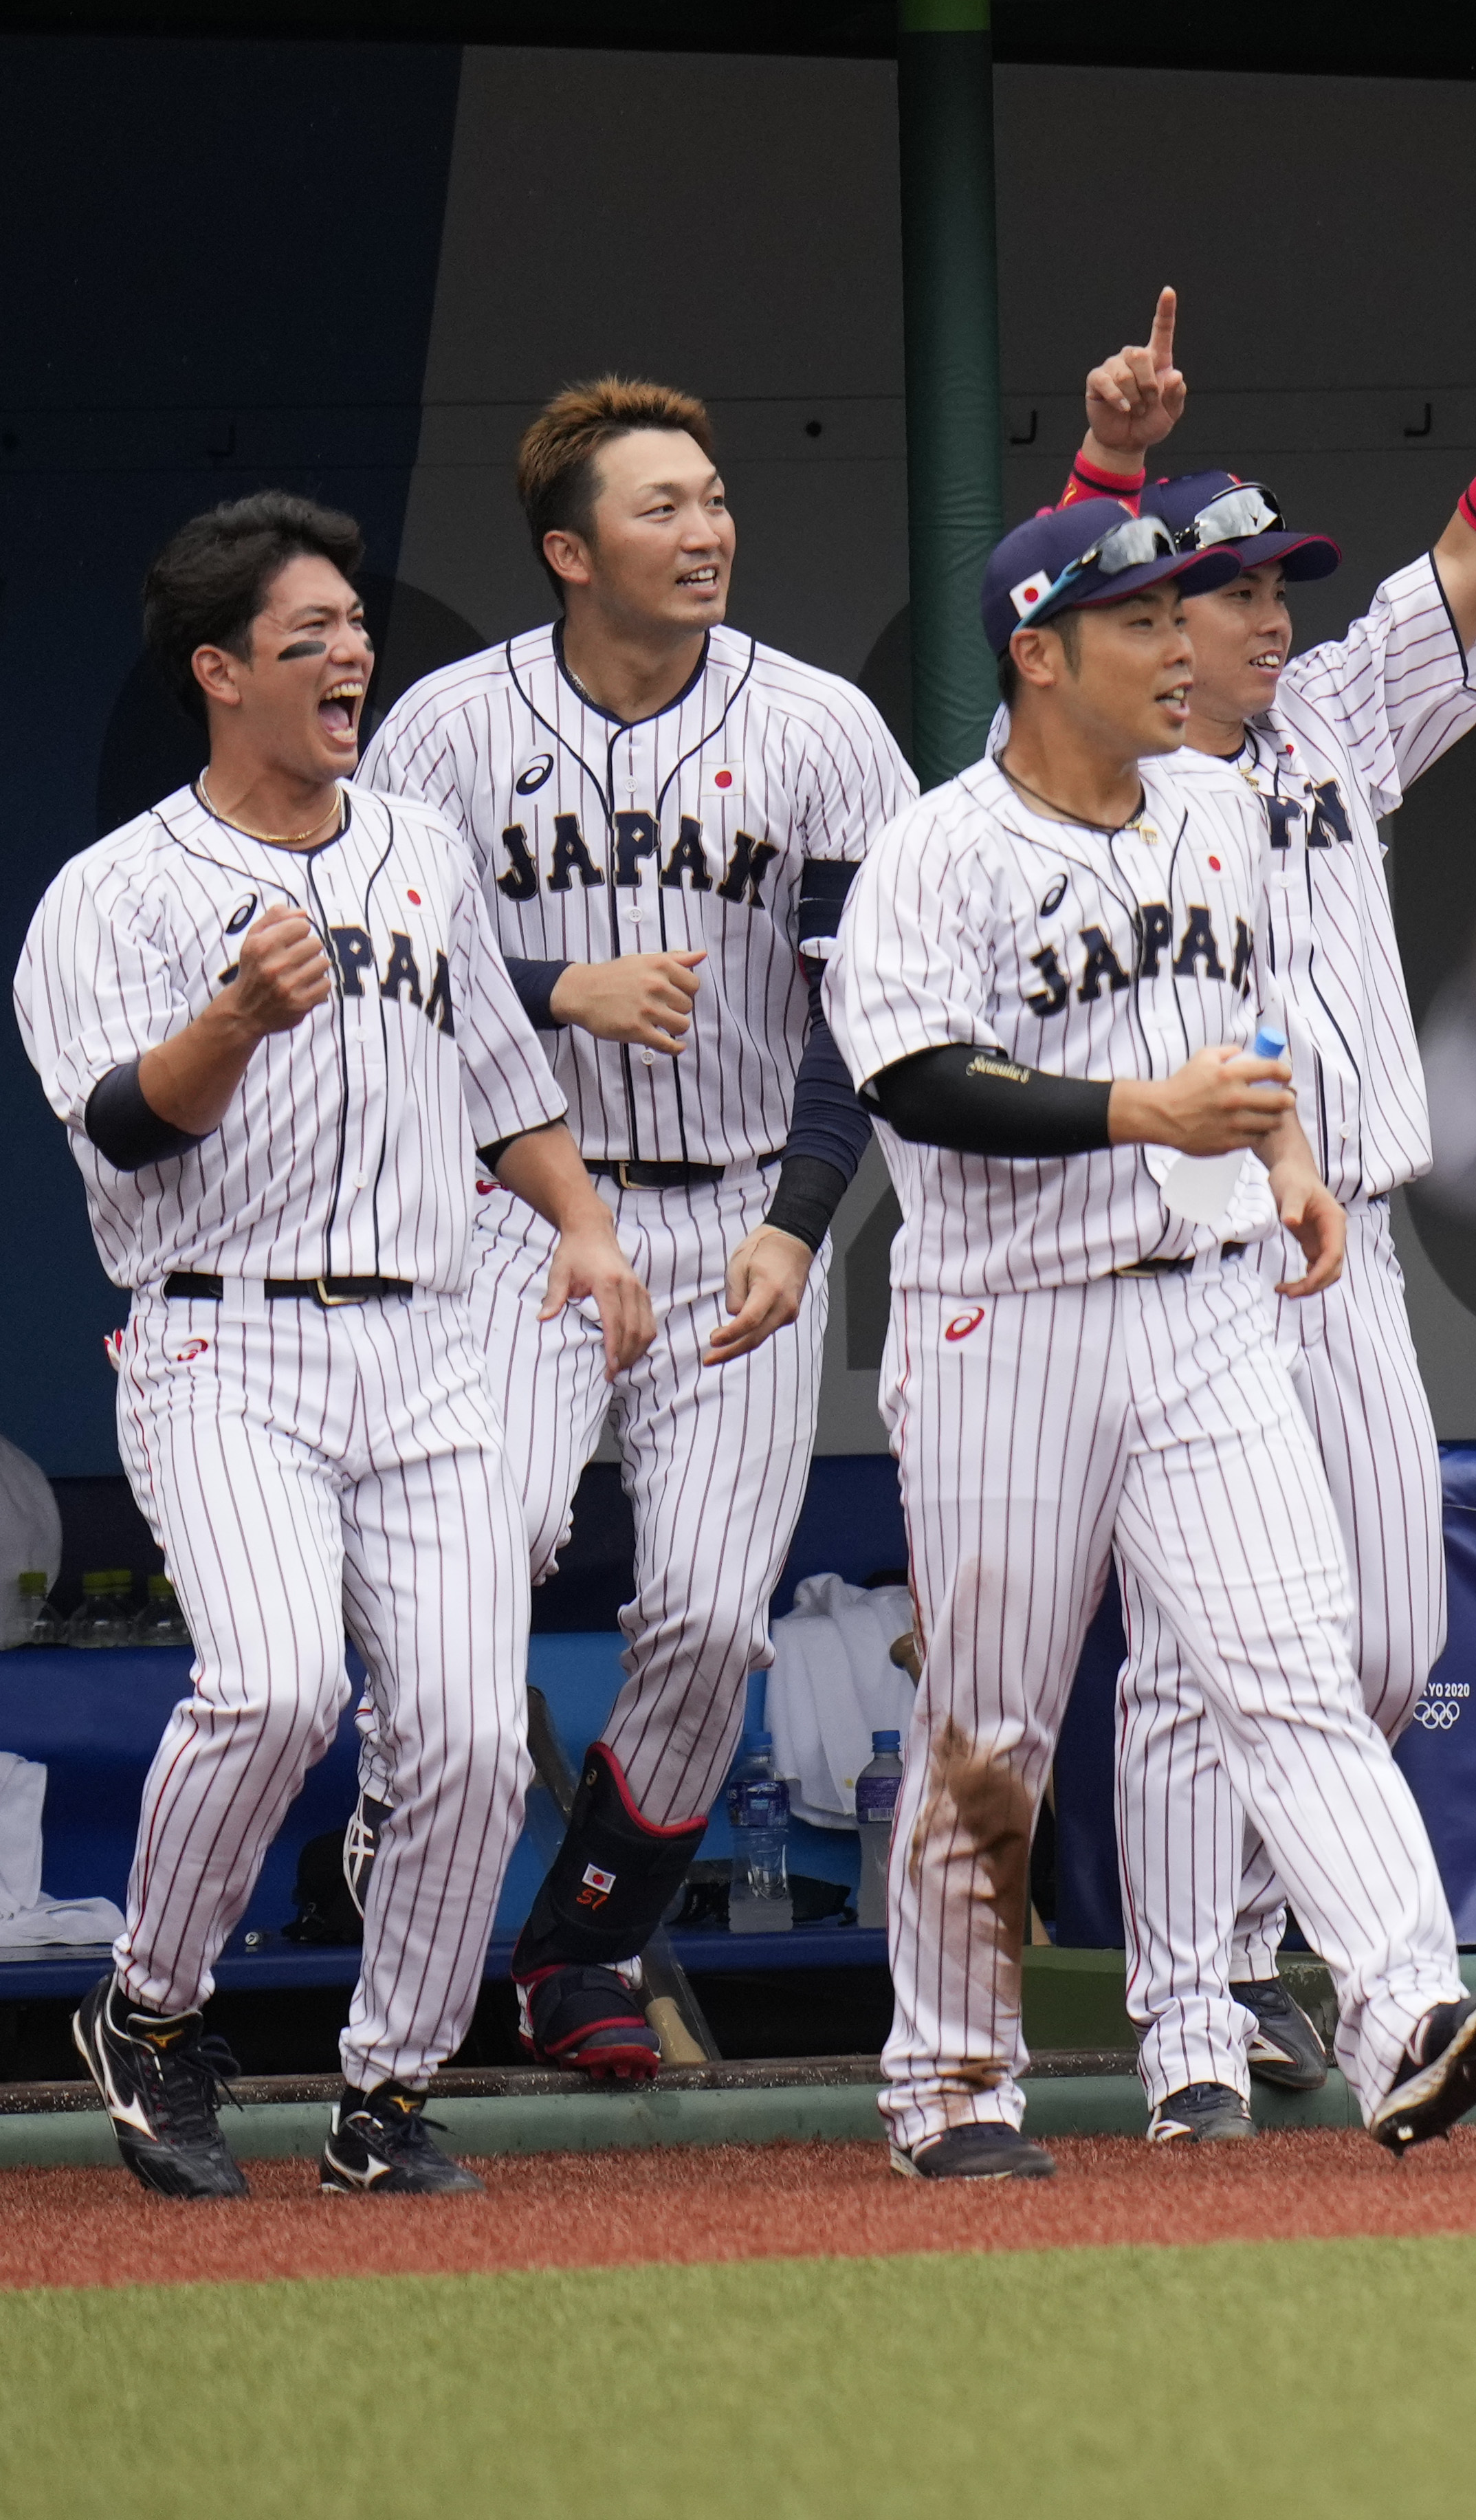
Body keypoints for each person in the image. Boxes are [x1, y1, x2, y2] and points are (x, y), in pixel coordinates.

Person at [823, 496, 1476, 2179]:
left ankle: (1405, 2015)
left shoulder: (1222, 806)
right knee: (993, 1722)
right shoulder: (942, 847)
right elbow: (918, 1076)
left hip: (1208, 1311)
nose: (1180, 648)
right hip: (1011, 1326)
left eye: (1177, 615)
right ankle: (948, 2079)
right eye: (1141, 621)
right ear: (1040, 653)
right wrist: (1153, 1106)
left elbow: (1257, 1015)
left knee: (1293, 1668)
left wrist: (1287, 1155)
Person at [1027, 217, 1476, 2140]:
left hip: (1346, 1244)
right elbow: (1047, 598)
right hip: (1177, 1266)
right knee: (1209, 1650)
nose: (1267, 612)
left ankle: (1242, 1942)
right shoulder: (1076, 757)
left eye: (1274, 581)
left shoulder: (1322, 726)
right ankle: (1191, 2015)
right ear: (1145, 623)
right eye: (1226, 590)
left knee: (1376, 1645)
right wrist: (1109, 470)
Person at [20, 494, 650, 2198]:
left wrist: (584, 1224)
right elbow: (119, 1133)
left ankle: (391, 2089)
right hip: (226, 1341)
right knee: (281, 1681)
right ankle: (150, 2010)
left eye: (355, 626)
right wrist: (228, 1014)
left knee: (457, 1729)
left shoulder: (418, 848)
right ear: (221, 671)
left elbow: (506, 1079)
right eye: (311, 633)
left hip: (430, 1335)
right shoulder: (116, 892)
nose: (352, 651)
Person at [360, 380, 915, 2079]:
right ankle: (410, 1858)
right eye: (663, 506)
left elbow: (871, 1013)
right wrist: (553, 986)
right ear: (567, 549)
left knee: (707, 1617)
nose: (708, 529)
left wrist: (805, 1225)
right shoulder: (447, 732)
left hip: (745, 1196)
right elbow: (371, 982)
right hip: (515, 1211)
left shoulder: (817, 726)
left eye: (718, 497)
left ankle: (578, 1950)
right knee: (485, 1544)